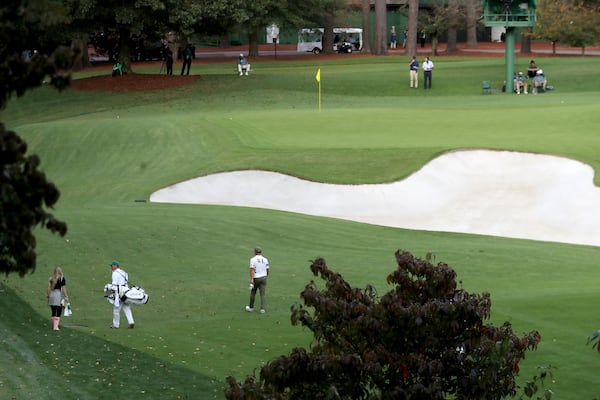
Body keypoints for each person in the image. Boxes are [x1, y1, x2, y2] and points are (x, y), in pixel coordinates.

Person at [109, 260, 135, 329]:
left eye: (112, 265)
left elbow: (114, 284)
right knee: (127, 308)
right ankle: (131, 322)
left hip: (119, 293)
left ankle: (116, 325)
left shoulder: (115, 273)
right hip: (126, 293)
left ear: (115, 266)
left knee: (116, 310)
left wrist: (111, 291)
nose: (111, 267)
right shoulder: (124, 272)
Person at [245, 246, 270, 314]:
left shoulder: (253, 259)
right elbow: (267, 269)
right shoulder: (265, 259)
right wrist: (265, 276)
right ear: (261, 252)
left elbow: (252, 270)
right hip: (264, 277)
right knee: (263, 294)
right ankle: (262, 309)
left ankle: (251, 307)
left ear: (255, 252)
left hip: (256, 278)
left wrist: (252, 279)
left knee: (253, 292)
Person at [47, 266, 69, 331]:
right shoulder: (62, 279)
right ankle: (55, 327)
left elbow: (48, 288)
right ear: (60, 271)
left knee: (53, 311)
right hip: (58, 295)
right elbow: (64, 289)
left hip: (51, 295)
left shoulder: (50, 278)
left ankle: (55, 325)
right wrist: (66, 296)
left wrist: (48, 296)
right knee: (59, 311)